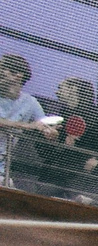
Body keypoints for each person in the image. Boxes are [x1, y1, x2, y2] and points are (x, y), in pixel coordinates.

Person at [0, 55, 44, 188]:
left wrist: (50, 131)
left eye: (3, 71)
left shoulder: (30, 102)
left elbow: (43, 124)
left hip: (2, 169)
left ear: (18, 76)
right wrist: (28, 126)